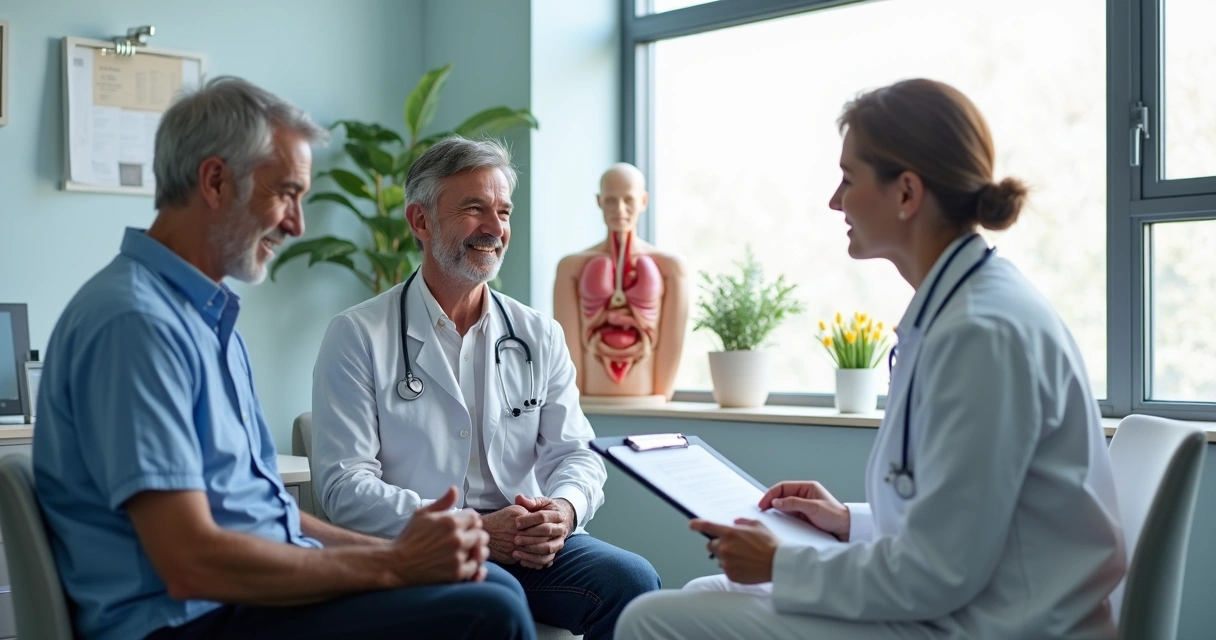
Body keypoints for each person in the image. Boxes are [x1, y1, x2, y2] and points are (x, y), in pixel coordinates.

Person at [615, 79, 1126, 639]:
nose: (836, 201)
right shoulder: (960, 311)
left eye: (849, 179)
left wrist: (782, 563)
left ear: (907, 194)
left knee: (653, 619)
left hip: (996, 625)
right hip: (976, 603)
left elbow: (940, 570)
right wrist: (847, 523)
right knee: (704, 595)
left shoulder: (981, 334)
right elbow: (961, 525)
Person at [32, 77, 534, 640]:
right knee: (489, 610)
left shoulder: (205, 318)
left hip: (241, 601)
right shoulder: (137, 324)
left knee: (490, 584)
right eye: (286, 193)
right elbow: (189, 561)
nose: (297, 224)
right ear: (216, 181)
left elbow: (266, 515)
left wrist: (408, 553)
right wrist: (392, 566)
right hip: (186, 621)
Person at [310, 137, 662, 640]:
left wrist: (563, 510)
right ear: (421, 222)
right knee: (495, 594)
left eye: (503, 211)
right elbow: (345, 487)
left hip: (527, 541)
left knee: (633, 582)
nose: (495, 229)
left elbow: (577, 453)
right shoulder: (358, 335)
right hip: (430, 545)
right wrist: (471, 527)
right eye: (474, 209)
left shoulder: (538, 333)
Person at [553, 163, 688, 402]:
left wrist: (661, 395)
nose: (620, 209)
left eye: (629, 200)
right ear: (599, 201)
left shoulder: (670, 267)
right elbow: (569, 346)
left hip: (648, 402)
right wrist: (577, 395)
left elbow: (672, 343)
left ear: (644, 201)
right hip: (590, 404)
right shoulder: (571, 267)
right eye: (611, 200)